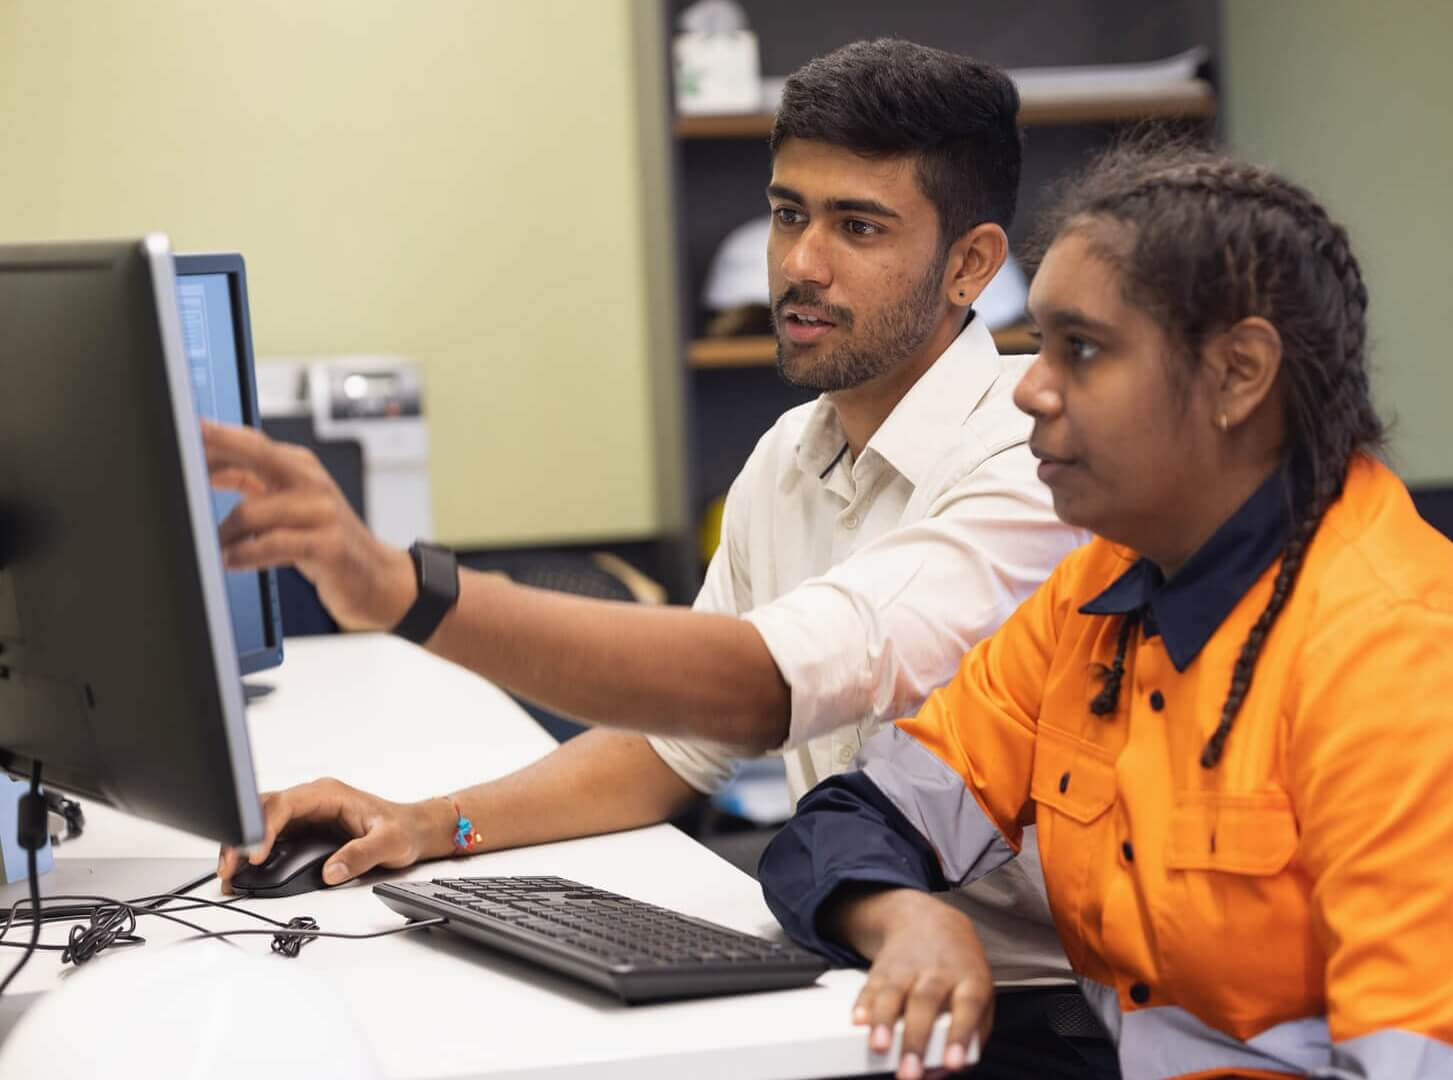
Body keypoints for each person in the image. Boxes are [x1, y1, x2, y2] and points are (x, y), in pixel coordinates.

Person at [204, 39, 1120, 1078]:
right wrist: (427, 823)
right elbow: (675, 744)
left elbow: (758, 689)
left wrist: (406, 592)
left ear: (970, 264)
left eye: (857, 226)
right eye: (788, 214)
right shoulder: (792, 453)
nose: (800, 264)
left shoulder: (1028, 465)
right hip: (858, 984)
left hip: (1027, 1022)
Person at [758, 140, 1453, 1080]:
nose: (1031, 391)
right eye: (1039, 344)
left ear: (1237, 376)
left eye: (1082, 351)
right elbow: (851, 821)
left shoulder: (1409, 664)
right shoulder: (1101, 590)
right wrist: (906, 917)